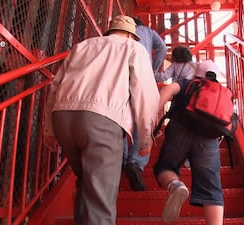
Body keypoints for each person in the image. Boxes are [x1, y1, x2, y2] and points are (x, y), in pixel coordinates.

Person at [44, 15, 159, 225]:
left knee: (86, 183)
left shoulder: (82, 46)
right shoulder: (134, 48)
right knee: (101, 201)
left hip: (63, 117)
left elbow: (55, 86)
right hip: (101, 121)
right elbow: (145, 94)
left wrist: (49, 130)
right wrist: (145, 138)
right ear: (131, 35)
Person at [154, 60, 224, 224]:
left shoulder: (187, 83)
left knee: (164, 167)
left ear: (196, 75)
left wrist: (151, 116)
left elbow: (168, 89)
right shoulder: (220, 91)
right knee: (211, 188)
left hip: (179, 130)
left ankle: (175, 185)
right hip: (208, 137)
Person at [123, 17, 167, 191]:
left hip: (122, 73)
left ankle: (120, 158)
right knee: (143, 116)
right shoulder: (149, 32)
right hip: (143, 73)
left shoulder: (125, 32)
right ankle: (135, 161)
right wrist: (154, 69)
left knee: (121, 114)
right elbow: (162, 48)